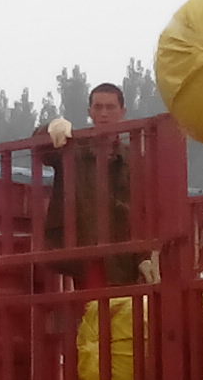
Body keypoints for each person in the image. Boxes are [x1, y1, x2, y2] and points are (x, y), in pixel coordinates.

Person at [41, 81, 140, 286]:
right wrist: (49, 130)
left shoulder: (134, 158)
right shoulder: (72, 148)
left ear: (123, 112)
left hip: (124, 251)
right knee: (91, 303)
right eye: (98, 107)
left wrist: (147, 255)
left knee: (125, 304)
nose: (104, 113)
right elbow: (44, 152)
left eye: (110, 107)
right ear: (90, 112)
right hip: (84, 247)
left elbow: (145, 208)